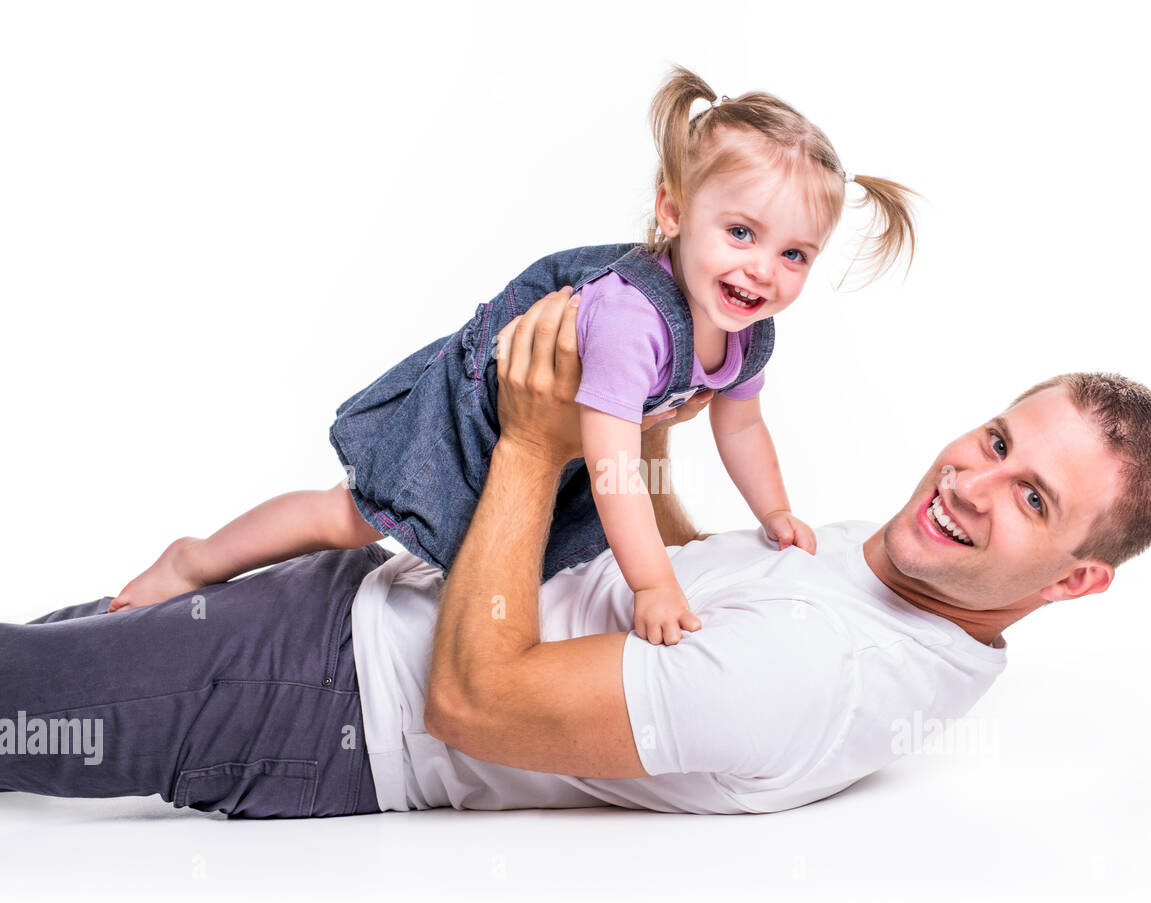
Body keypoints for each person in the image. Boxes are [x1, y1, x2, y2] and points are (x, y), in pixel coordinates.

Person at [0, 291, 1151, 818]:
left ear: (1077, 578)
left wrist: (532, 442)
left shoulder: (824, 674)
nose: (967, 483)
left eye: (1029, 496)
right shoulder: (889, 579)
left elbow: (474, 701)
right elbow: (650, 582)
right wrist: (631, 438)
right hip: (349, 614)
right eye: (993, 438)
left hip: (317, 701)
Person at [104, 65, 916, 646]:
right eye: (740, 233)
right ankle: (195, 560)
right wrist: (653, 583)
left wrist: (773, 512)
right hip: (484, 410)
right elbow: (613, 470)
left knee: (526, 562)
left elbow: (741, 428)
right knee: (350, 518)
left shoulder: (747, 330)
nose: (761, 271)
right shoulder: (635, 322)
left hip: (560, 441)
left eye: (794, 255)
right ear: (672, 212)